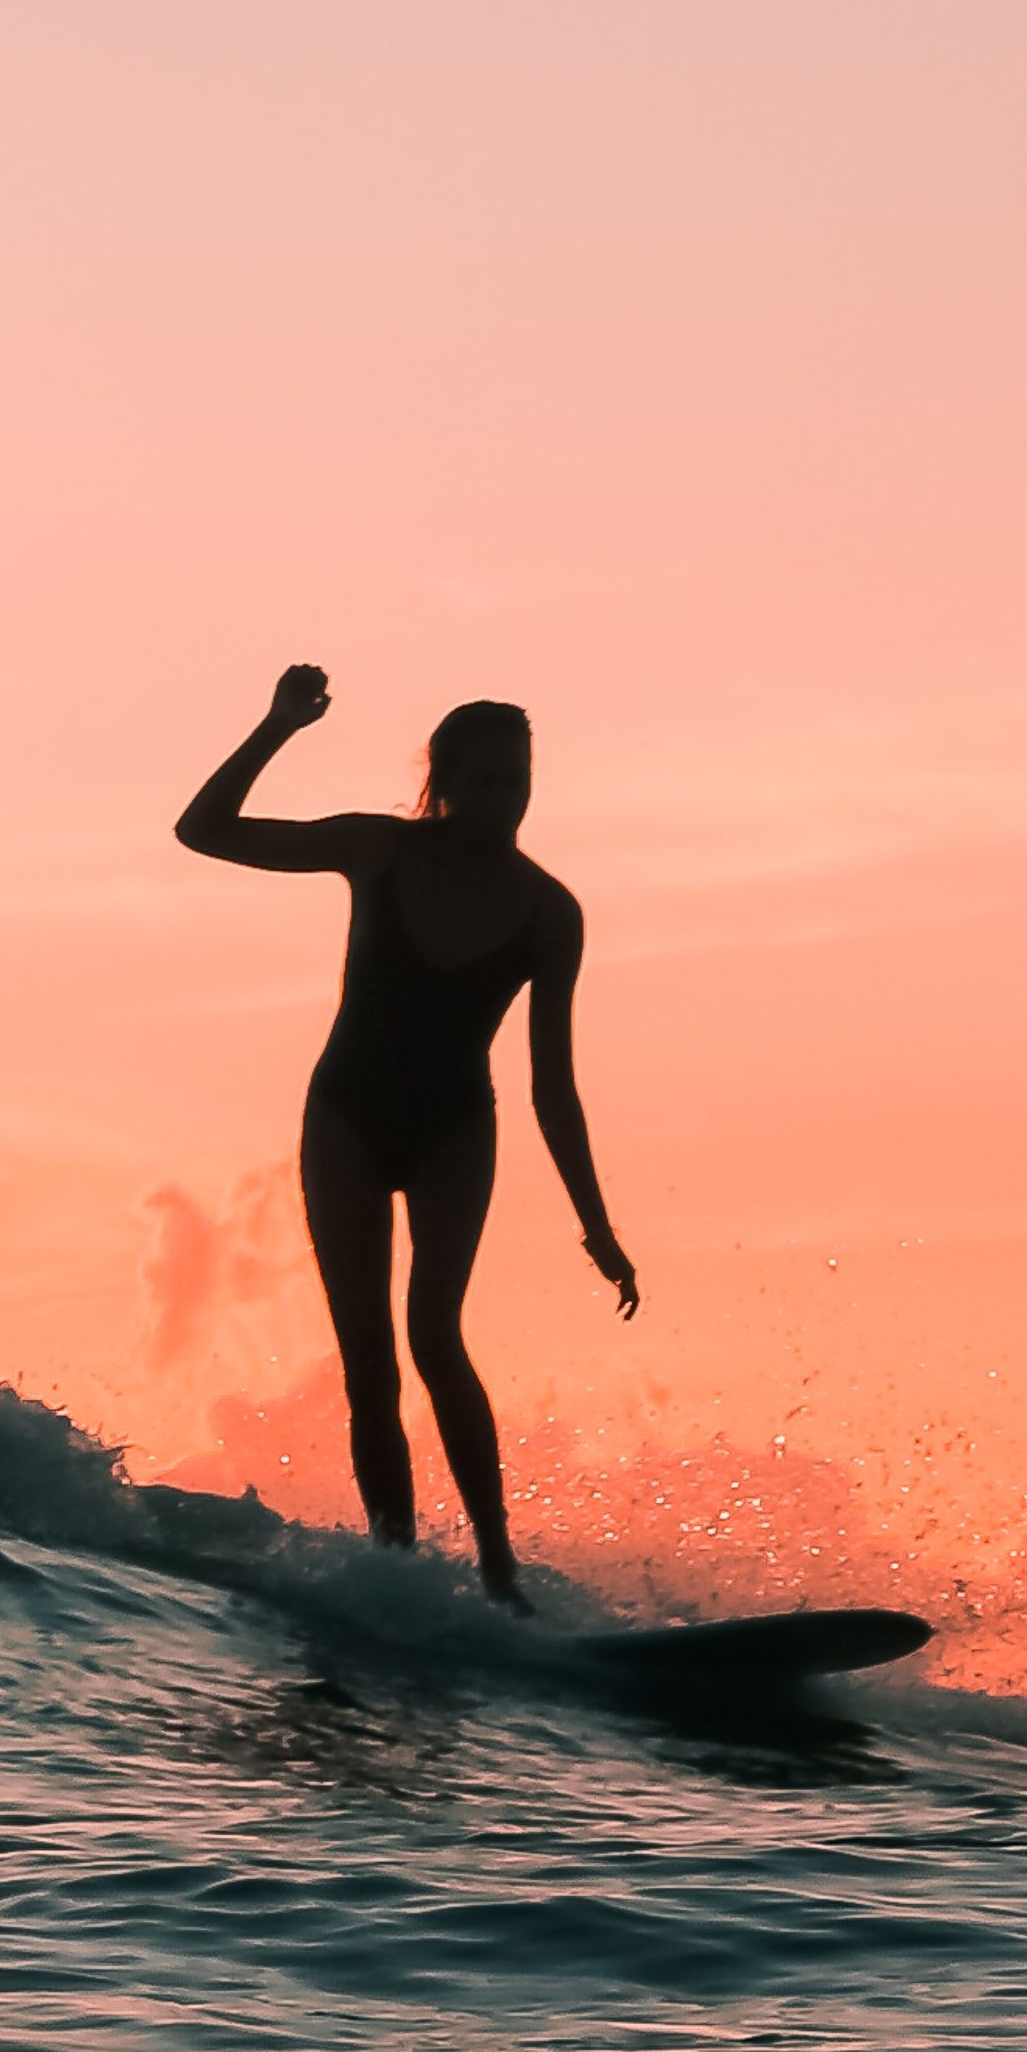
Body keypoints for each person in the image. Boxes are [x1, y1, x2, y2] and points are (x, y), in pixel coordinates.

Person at [175, 667, 635, 1605]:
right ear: (447, 777)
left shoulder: (550, 911)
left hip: (454, 1129)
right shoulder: (378, 850)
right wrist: (276, 727)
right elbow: (203, 831)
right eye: (489, 778)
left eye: (520, 778)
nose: (506, 797)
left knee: (436, 1334)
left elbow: (555, 1086)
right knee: (369, 1359)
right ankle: (398, 1570)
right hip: (347, 1115)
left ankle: (499, 1572)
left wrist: (597, 1226)